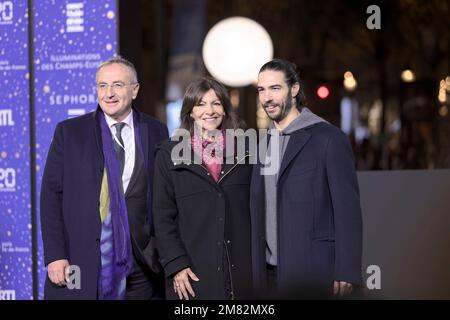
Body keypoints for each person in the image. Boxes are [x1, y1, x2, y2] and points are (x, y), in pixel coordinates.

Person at [40, 56, 168, 299]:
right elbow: (50, 196)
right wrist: (56, 255)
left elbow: (164, 194)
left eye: (118, 85)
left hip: (141, 264)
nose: (108, 93)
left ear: (135, 90)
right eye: (102, 86)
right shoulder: (70, 133)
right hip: (79, 259)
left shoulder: (156, 131)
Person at [251, 59, 363, 298]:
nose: (267, 97)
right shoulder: (262, 146)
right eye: (262, 89)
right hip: (269, 276)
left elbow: (348, 209)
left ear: (294, 89)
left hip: (313, 270)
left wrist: (347, 269)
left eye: (275, 88)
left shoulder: (328, 138)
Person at [153, 78, 253, 300]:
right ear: (190, 112)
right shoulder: (168, 154)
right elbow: (162, 217)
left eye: (216, 103)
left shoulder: (247, 151)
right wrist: (176, 264)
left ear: (225, 110)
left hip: (241, 271)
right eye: (201, 104)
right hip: (192, 271)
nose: (210, 110)